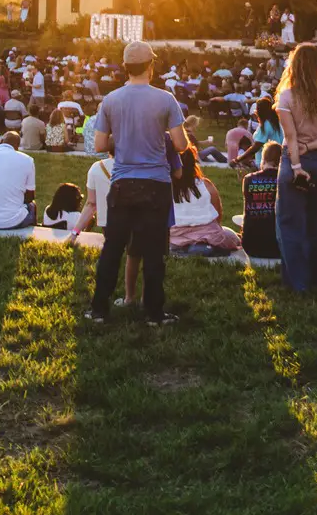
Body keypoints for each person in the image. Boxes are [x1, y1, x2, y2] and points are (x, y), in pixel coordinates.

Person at [85, 40, 189, 325]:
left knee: (113, 248)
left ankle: (98, 310)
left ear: (125, 67)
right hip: (155, 183)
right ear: (150, 66)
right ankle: (154, 313)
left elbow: (99, 145)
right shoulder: (165, 99)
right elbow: (180, 145)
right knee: (154, 252)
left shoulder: (111, 100)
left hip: (122, 183)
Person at [274, 42, 317, 294]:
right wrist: (313, 146)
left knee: (290, 223)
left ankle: (298, 282)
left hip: (293, 160)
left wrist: (295, 165)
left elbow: (291, 137)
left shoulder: (286, 96)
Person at [169, 147, 241, 251]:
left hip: (175, 237)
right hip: (209, 236)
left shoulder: (165, 187)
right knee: (231, 235)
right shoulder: (206, 185)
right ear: (193, 163)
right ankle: (201, 245)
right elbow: (218, 217)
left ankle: (188, 246)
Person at [241, 141, 283, 260]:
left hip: (251, 245)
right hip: (279, 246)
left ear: (263, 159)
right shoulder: (285, 181)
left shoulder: (248, 179)